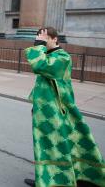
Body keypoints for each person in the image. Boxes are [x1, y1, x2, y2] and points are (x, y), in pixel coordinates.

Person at [23, 27, 105, 187]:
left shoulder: (62, 57)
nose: (41, 42)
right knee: (44, 145)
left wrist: (38, 46)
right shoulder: (48, 56)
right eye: (39, 38)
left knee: (52, 145)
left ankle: (52, 181)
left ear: (54, 39)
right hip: (43, 110)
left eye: (44, 39)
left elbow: (39, 66)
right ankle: (44, 178)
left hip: (55, 111)